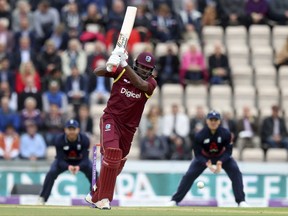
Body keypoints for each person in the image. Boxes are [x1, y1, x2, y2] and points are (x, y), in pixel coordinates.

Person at [85, 48, 157, 210]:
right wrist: (111, 64)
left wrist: (124, 64)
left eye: (148, 68)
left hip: (129, 129)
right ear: (136, 64)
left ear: (152, 71)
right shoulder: (121, 72)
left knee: (118, 162)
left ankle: (95, 194)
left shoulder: (151, 84)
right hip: (111, 119)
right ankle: (104, 199)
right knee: (112, 152)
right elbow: (97, 72)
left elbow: (140, 84)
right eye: (142, 66)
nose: (144, 70)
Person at [168, 110, 248, 207]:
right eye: (211, 120)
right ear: (207, 121)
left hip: (221, 156)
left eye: (215, 120)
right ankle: (174, 200)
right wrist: (206, 163)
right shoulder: (200, 135)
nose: (213, 122)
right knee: (189, 176)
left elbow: (228, 151)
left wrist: (220, 161)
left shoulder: (226, 133)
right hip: (204, 157)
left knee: (236, 172)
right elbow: (197, 154)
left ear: (219, 121)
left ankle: (241, 201)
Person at [38, 119, 93, 205]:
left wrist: (79, 167)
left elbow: (86, 160)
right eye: (69, 129)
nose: (71, 132)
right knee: (52, 172)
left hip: (80, 161)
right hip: (64, 161)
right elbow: (59, 160)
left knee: (93, 172)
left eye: (73, 129)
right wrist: (68, 167)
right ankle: (42, 198)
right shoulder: (59, 140)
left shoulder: (84, 139)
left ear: (78, 130)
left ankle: (96, 197)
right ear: (65, 130)